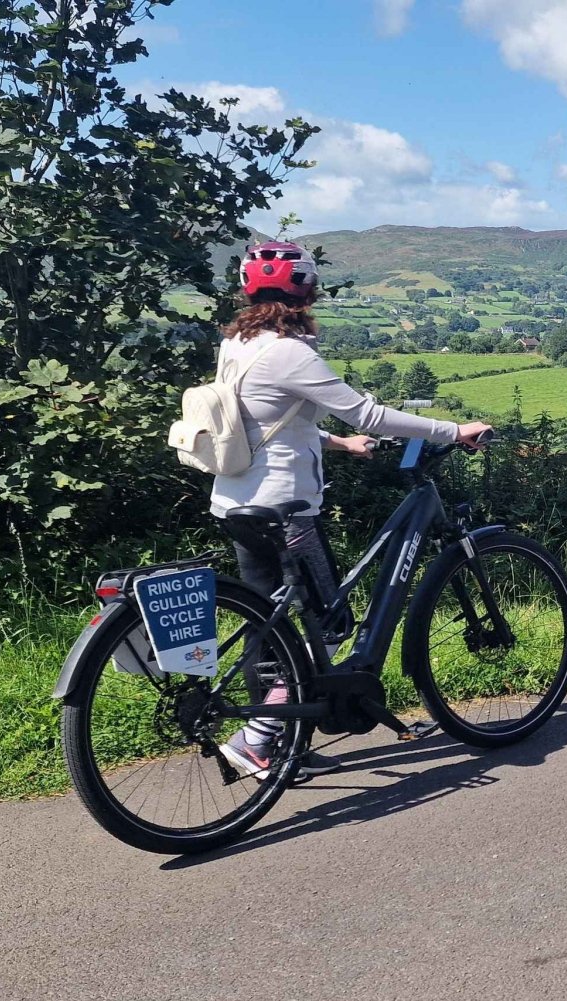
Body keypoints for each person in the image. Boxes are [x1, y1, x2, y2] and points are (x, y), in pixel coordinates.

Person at [210, 241, 491, 781]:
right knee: (332, 621)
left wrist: (339, 446)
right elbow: (368, 412)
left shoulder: (238, 345)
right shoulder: (292, 352)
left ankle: (281, 736)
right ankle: (258, 740)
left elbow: (263, 420)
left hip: (237, 503)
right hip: (287, 510)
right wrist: (454, 430)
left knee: (268, 626)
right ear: (307, 291)